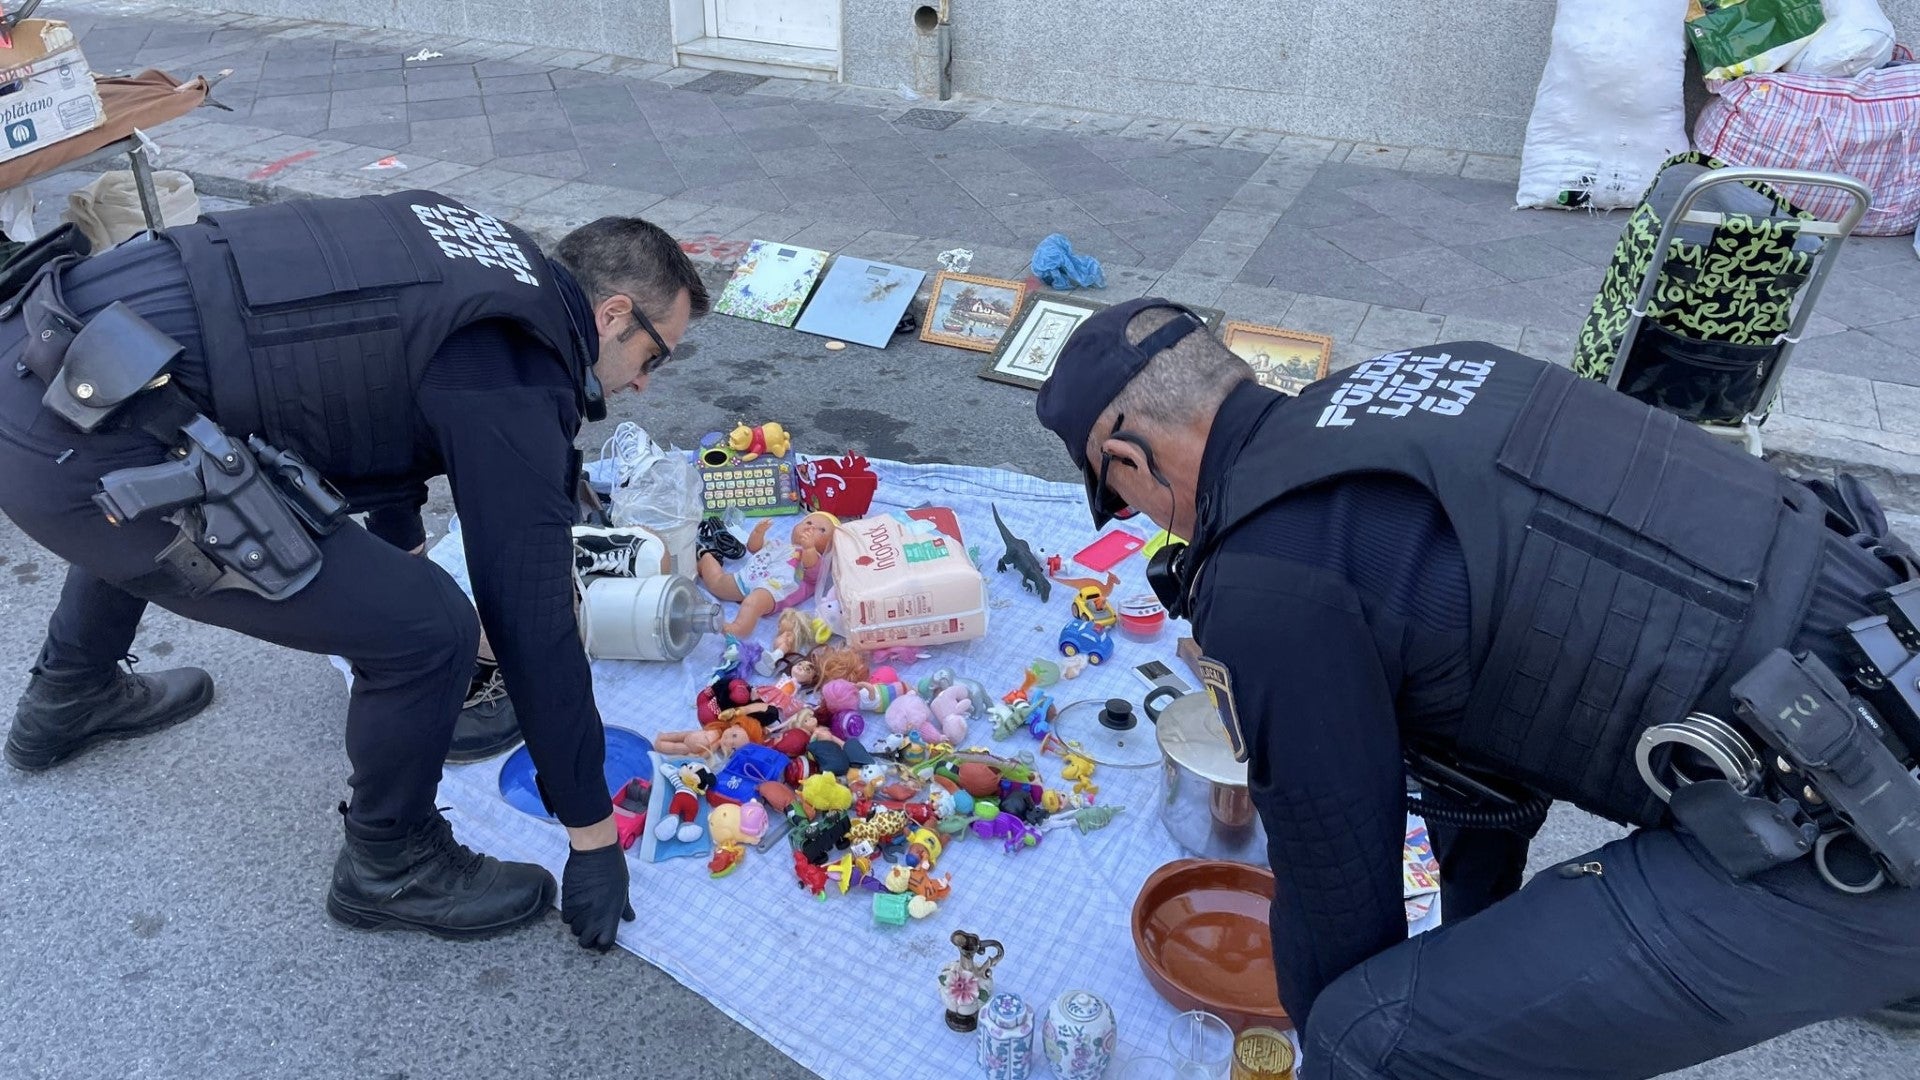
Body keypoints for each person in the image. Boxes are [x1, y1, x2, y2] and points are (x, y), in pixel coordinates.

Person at [1036, 297, 1920, 1079]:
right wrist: (1469, 950)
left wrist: (1369, 1036)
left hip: (1854, 816)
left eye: (1118, 499)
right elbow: (1481, 733)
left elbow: (1337, 889)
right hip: (1881, 643)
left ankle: (1874, 948)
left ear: (1127, 456)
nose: (1138, 520)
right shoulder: (1430, 373)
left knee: (1361, 1037)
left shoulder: (1268, 577)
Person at [0, 191, 708, 952]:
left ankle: (70, 694)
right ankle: (390, 864)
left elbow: (370, 397)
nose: (643, 385)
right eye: (654, 356)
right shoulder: (519, 369)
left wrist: (399, 548)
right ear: (613, 314)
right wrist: (592, 837)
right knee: (428, 628)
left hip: (47, 353)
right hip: (83, 438)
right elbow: (530, 614)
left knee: (177, 465)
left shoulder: (477, 249)